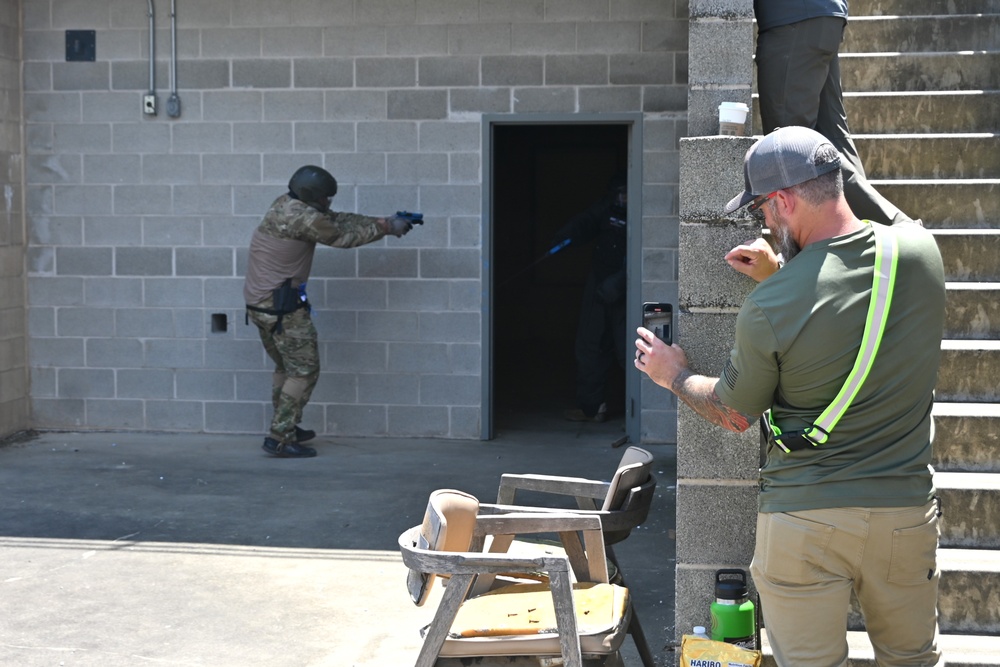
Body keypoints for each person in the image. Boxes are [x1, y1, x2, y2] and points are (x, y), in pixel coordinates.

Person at [635, 127, 945, 666]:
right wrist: (785, 271)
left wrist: (673, 375)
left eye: (763, 209)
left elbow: (733, 413)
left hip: (805, 519)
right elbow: (849, 298)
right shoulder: (920, 253)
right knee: (913, 660)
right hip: (904, 514)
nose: (764, 224)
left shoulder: (773, 304)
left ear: (783, 199)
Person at [244, 165, 415, 458]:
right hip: (282, 309)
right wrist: (387, 229)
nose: (328, 203)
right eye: (325, 198)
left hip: (260, 305)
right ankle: (280, 436)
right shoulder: (303, 217)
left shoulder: (286, 205)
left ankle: (287, 425)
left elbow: (334, 220)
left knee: (286, 368)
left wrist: (384, 220)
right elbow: (341, 237)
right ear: (313, 197)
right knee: (304, 370)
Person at [754, 0, 914, 225]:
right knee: (832, 140)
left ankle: (898, 229)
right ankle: (868, 233)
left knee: (791, 149)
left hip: (791, 20)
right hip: (823, 15)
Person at [555, 173, 628, 423]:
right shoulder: (606, 211)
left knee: (628, 351)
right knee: (590, 346)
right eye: (619, 193)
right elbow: (583, 225)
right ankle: (592, 407)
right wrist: (561, 240)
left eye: (627, 193)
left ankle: (634, 411)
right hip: (599, 289)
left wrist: (618, 283)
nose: (624, 199)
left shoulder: (640, 214)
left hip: (626, 293)